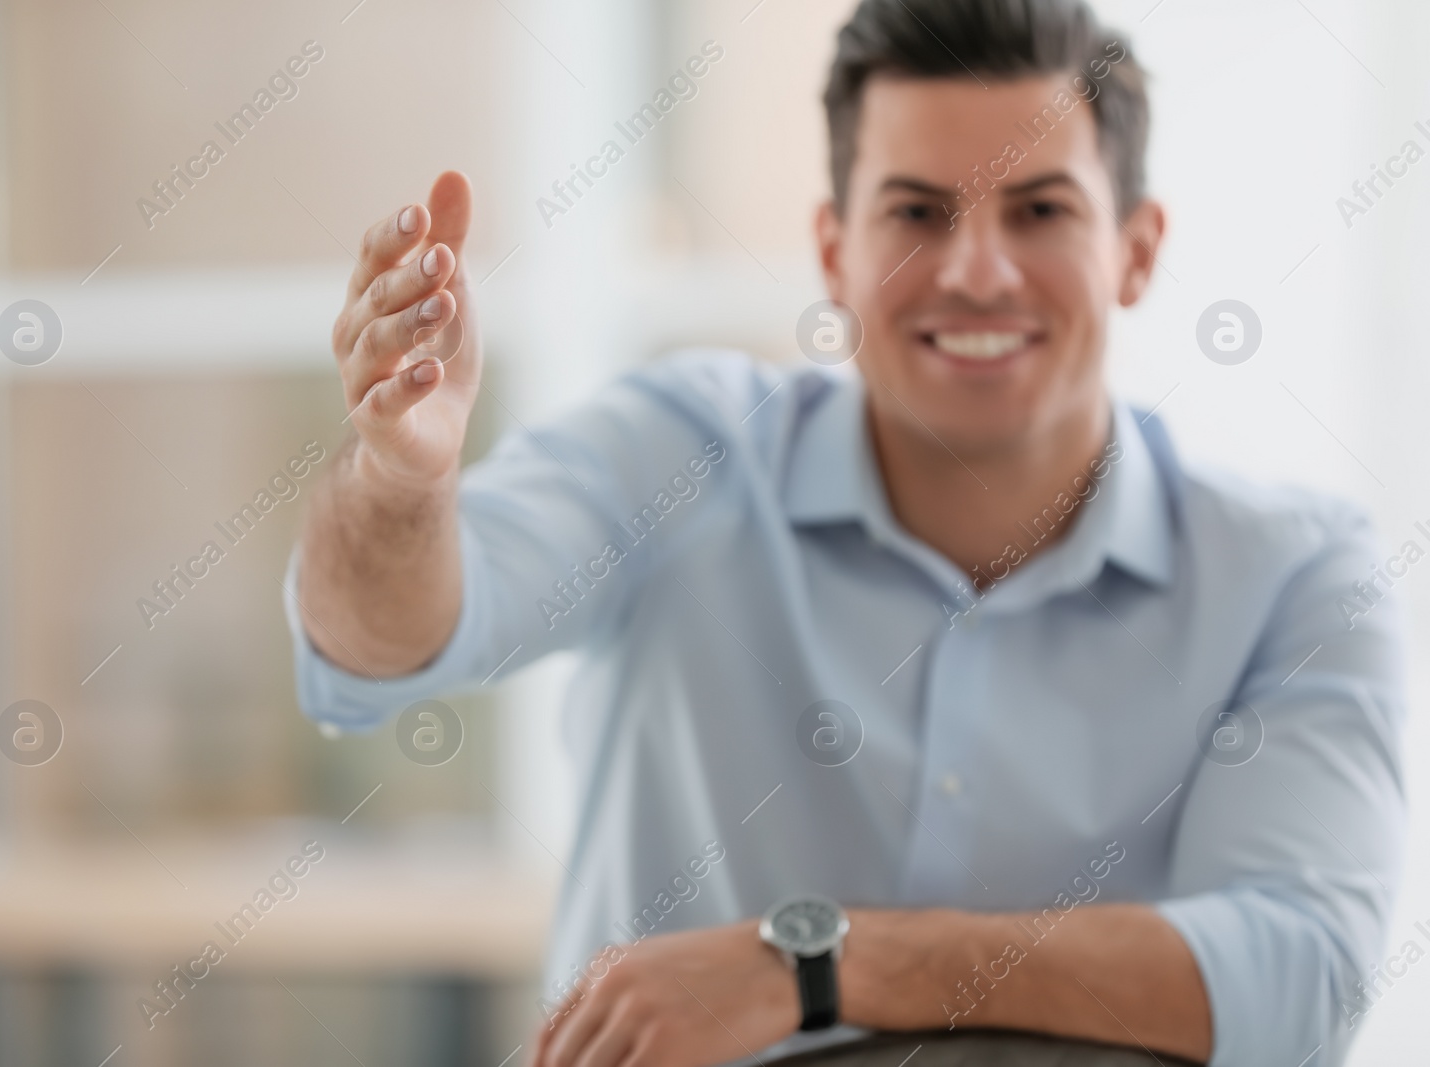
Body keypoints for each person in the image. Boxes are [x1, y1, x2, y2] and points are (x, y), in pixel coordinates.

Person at [284, 1, 1407, 1064]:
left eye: (1040, 211)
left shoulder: (1293, 575)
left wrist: (811, 960)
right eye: (917, 212)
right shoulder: (681, 451)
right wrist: (399, 479)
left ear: (1139, 248)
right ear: (833, 250)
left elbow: (1296, 977)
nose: (976, 270)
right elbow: (382, 647)